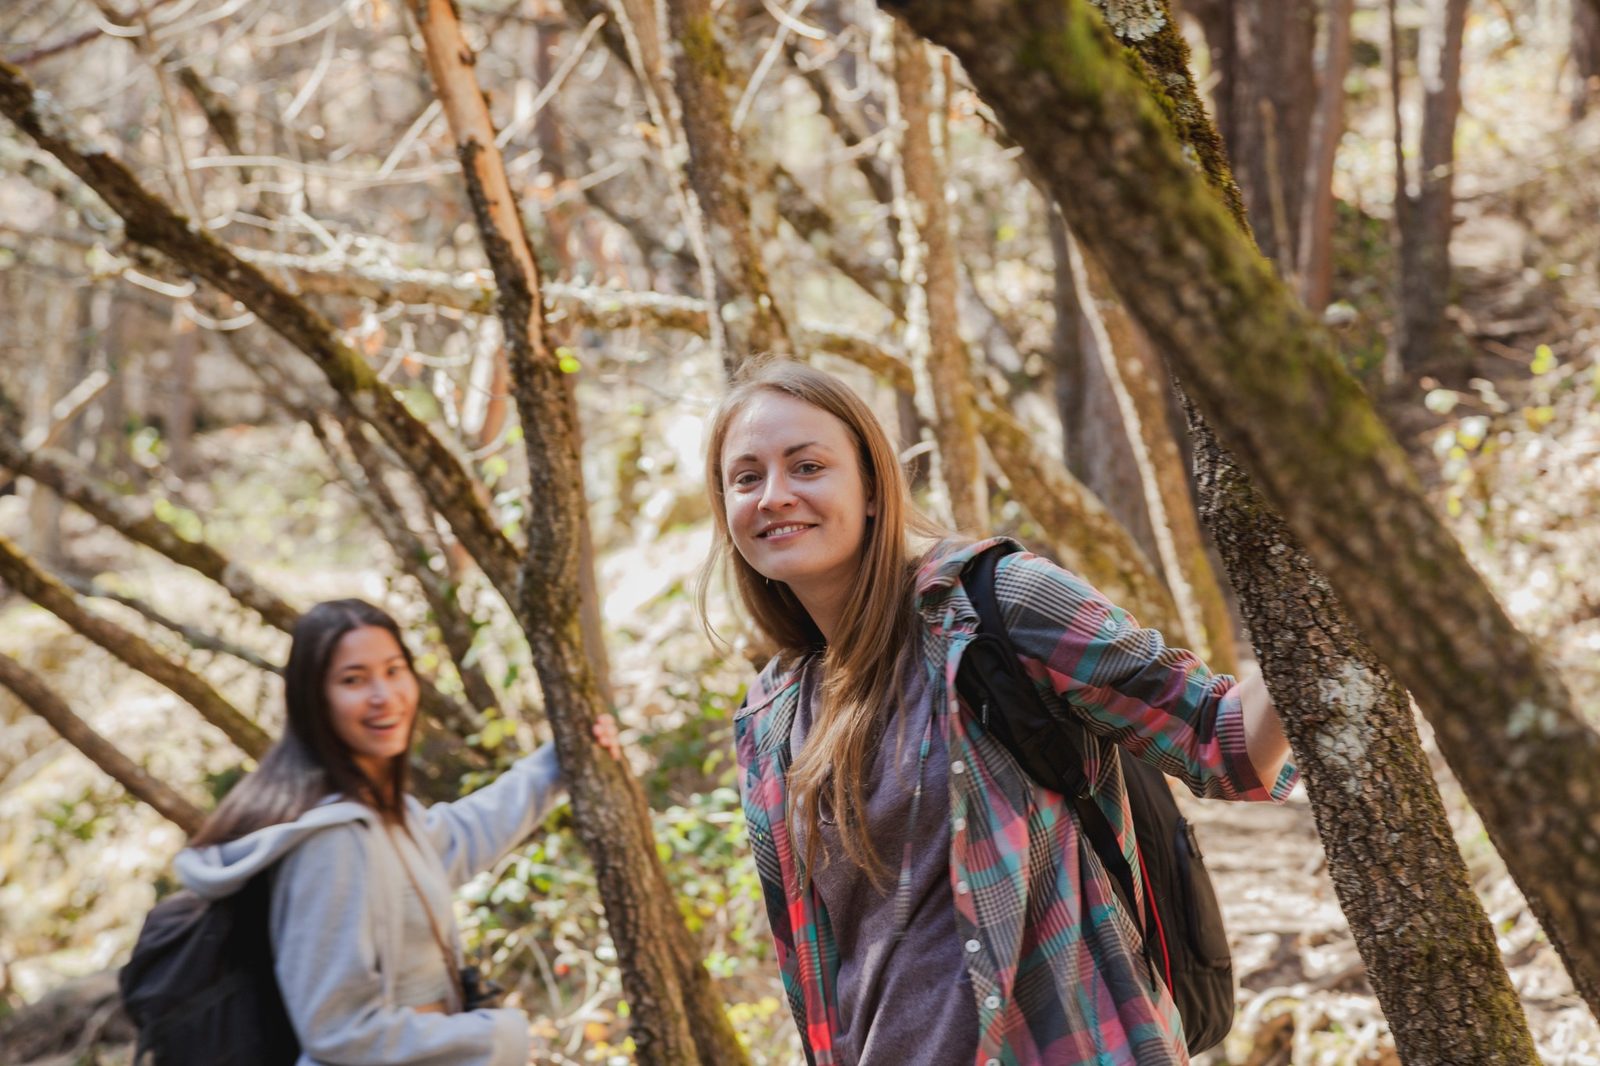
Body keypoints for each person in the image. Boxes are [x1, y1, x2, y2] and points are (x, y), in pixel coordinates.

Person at [699, 361, 1296, 1066]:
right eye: (746, 477)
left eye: (807, 466)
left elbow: (1225, 743)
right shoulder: (769, 718)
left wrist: (1319, 592)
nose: (774, 496)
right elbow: (822, 976)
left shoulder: (994, 605)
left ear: (869, 488)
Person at [175, 598, 621, 1066]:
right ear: (313, 698)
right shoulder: (332, 841)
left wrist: (560, 762)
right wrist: (494, 1039)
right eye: (354, 680)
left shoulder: (378, 814)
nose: (383, 695)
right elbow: (339, 1030)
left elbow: (458, 839)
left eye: (393, 670)